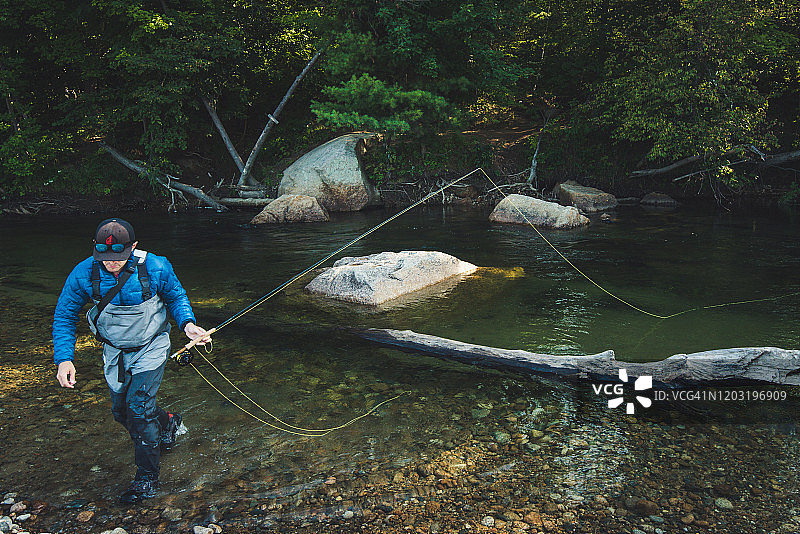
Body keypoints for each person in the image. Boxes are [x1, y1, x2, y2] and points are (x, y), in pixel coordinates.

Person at [52, 218, 210, 503]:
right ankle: (169, 423)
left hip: (152, 345)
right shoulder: (83, 274)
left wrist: (188, 324)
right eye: (105, 258)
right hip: (115, 350)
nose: (111, 263)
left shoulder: (156, 267)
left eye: (119, 257)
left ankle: (146, 480)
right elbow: (64, 316)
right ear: (95, 250)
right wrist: (64, 359)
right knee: (121, 412)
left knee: (138, 409)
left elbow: (176, 297)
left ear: (134, 247)